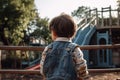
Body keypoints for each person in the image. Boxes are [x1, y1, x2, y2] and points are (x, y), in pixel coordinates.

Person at [40, 13, 88, 80]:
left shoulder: (48, 49)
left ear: (53, 32)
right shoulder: (74, 49)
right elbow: (81, 68)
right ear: (73, 33)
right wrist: (82, 77)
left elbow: (42, 69)